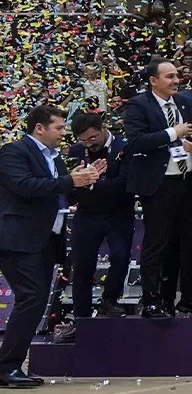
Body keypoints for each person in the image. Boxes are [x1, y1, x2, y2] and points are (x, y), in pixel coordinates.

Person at [0, 108, 97, 387]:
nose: (63, 132)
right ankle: (7, 367)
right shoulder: (14, 152)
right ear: (39, 128)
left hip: (45, 237)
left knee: (36, 299)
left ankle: (10, 365)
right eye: (59, 127)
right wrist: (69, 181)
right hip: (18, 237)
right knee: (31, 296)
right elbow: (24, 185)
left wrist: (84, 180)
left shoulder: (55, 157)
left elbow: (61, 191)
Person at [125, 58, 192, 318]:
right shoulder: (138, 105)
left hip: (189, 180)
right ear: (153, 80)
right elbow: (136, 142)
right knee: (157, 244)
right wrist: (173, 133)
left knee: (190, 244)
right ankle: (153, 300)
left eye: (176, 76)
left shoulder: (186, 102)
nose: (176, 80)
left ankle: (189, 300)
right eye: (169, 76)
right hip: (160, 184)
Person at [62, 112, 130, 331]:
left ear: (103, 128)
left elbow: (124, 184)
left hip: (119, 213)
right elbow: (70, 188)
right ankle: (81, 315)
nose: (89, 144)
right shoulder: (76, 151)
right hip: (87, 213)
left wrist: (90, 183)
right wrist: (85, 183)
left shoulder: (124, 146)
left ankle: (110, 300)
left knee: (120, 256)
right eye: (83, 140)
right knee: (82, 265)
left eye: (92, 138)